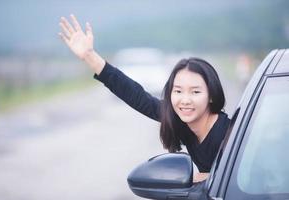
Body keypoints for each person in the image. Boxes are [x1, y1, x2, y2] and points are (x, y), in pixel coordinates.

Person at [58, 14, 231, 183]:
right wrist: (89, 56)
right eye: (178, 91)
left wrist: (206, 178)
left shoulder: (226, 134)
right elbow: (136, 96)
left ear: (211, 96)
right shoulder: (181, 121)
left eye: (195, 92)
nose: (185, 100)